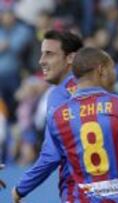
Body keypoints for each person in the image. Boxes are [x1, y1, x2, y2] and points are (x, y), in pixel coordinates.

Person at [22, 47, 118, 202]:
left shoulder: (57, 116)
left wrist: (21, 189)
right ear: (101, 70)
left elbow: (49, 160)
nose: (115, 75)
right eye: (112, 69)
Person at [13, 30, 83, 202]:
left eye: (49, 54)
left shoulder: (59, 95)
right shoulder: (102, 90)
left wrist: (20, 188)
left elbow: (51, 155)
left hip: (78, 192)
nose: (41, 61)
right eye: (41, 54)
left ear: (70, 58)